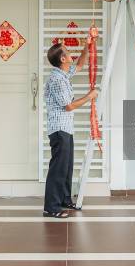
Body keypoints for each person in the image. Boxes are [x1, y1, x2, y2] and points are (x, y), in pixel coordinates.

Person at [43, 41, 97, 218]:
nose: (70, 53)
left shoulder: (64, 74)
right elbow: (68, 106)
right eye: (67, 52)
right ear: (62, 58)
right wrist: (89, 97)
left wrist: (88, 46)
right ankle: (51, 207)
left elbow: (80, 64)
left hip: (66, 128)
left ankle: (65, 199)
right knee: (58, 168)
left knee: (66, 167)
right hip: (59, 129)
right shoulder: (57, 79)